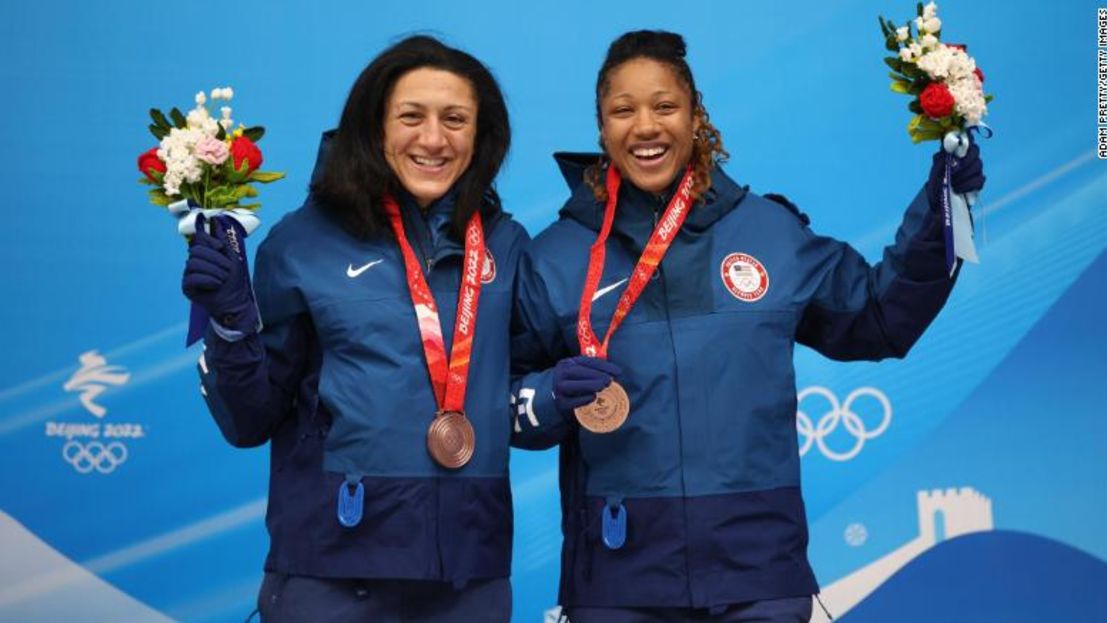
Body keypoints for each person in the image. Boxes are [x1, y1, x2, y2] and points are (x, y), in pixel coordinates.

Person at [510, 30, 985, 622]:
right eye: (622, 110)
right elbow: (501, 400)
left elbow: (879, 319)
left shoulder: (769, 233)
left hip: (761, 576)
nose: (646, 126)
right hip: (618, 577)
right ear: (602, 129)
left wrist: (942, 212)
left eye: (664, 106)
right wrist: (548, 395)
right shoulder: (556, 256)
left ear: (694, 116)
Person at [182, 35, 526, 622]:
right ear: (373, 126)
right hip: (332, 574)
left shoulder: (505, 244)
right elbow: (249, 419)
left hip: (469, 578)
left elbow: (524, 393)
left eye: (455, 120)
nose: (434, 139)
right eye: (410, 117)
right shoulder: (304, 242)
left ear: (482, 135)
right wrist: (232, 323)